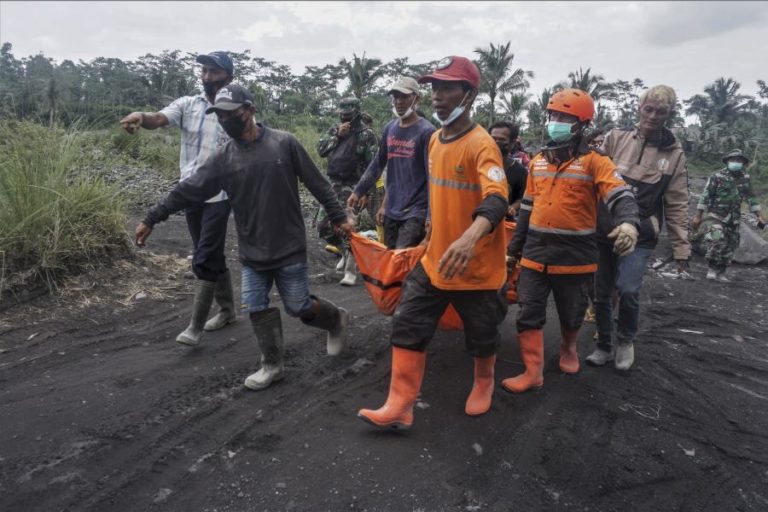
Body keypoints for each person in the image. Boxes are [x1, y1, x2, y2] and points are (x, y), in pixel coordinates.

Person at [134, 84, 353, 390]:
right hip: (252, 250)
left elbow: (318, 184)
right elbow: (188, 190)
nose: (224, 121)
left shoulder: (284, 143)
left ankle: (336, 320)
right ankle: (272, 365)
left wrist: (339, 217)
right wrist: (151, 217)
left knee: (299, 307)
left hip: (288, 246)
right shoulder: (224, 158)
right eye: (219, 116)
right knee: (255, 305)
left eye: (230, 114)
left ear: (249, 111)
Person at [357, 56, 509, 430]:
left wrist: (470, 237)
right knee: (407, 323)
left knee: (482, 335)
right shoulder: (436, 141)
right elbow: (437, 197)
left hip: (475, 268)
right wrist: (430, 232)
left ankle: (484, 383)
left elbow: (497, 197)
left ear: (469, 94)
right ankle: (400, 405)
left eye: (448, 88)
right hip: (435, 260)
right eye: (435, 88)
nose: (438, 96)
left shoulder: (482, 144)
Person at [503, 88, 640, 393]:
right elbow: (525, 211)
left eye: (564, 117)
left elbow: (620, 194)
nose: (556, 122)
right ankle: (533, 371)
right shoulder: (536, 162)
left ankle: (568, 348)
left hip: (576, 256)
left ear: (582, 124)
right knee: (528, 311)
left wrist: (629, 224)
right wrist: (513, 251)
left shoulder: (596, 162)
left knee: (572, 311)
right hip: (535, 253)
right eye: (553, 115)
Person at [119, 51, 237, 347]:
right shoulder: (188, 104)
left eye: (214, 72)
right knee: (207, 251)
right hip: (189, 192)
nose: (208, 77)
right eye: (205, 71)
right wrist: (140, 117)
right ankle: (227, 310)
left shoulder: (235, 109)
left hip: (221, 195)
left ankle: (195, 326)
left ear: (229, 77)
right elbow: (159, 118)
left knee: (205, 255)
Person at [586, 85, 691, 370]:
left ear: (670, 114)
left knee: (628, 289)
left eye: (661, 111)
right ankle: (604, 344)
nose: (653, 116)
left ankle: (625, 341)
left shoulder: (674, 154)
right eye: (649, 109)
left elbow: (678, 201)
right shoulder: (615, 138)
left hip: (641, 233)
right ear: (639, 109)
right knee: (600, 291)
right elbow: (588, 174)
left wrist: (682, 247)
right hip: (604, 229)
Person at [347, 77, 435, 249]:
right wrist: (358, 191)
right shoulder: (390, 128)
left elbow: (433, 178)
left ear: (416, 98)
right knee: (390, 260)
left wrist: (430, 217)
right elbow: (377, 163)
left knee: (401, 260)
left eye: (404, 96)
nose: (398, 101)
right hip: (393, 208)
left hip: (416, 211)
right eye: (395, 97)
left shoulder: (427, 132)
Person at [316, 97, 378, 286]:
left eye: (348, 113)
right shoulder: (335, 130)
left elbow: (373, 166)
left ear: (356, 112)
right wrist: (337, 135)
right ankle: (345, 251)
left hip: (354, 187)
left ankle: (351, 270)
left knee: (350, 226)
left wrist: (366, 192)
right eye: (342, 113)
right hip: (333, 184)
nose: (345, 116)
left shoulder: (367, 134)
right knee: (323, 225)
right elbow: (321, 151)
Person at [693, 149, 766, 282]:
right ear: (727, 161)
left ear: (743, 163)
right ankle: (712, 269)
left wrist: (759, 216)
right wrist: (698, 216)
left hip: (734, 218)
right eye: (733, 160)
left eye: (739, 160)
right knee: (715, 240)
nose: (736, 162)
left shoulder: (745, 178)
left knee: (730, 245)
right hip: (716, 215)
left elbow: (751, 198)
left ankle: (721, 272)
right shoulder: (717, 176)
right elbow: (705, 196)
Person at [489, 121, 528, 220]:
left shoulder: (520, 171)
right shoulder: (477, 165)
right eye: (493, 138)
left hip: (504, 223)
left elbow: (521, 197)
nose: (496, 142)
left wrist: (512, 208)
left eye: (502, 139)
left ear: (512, 143)